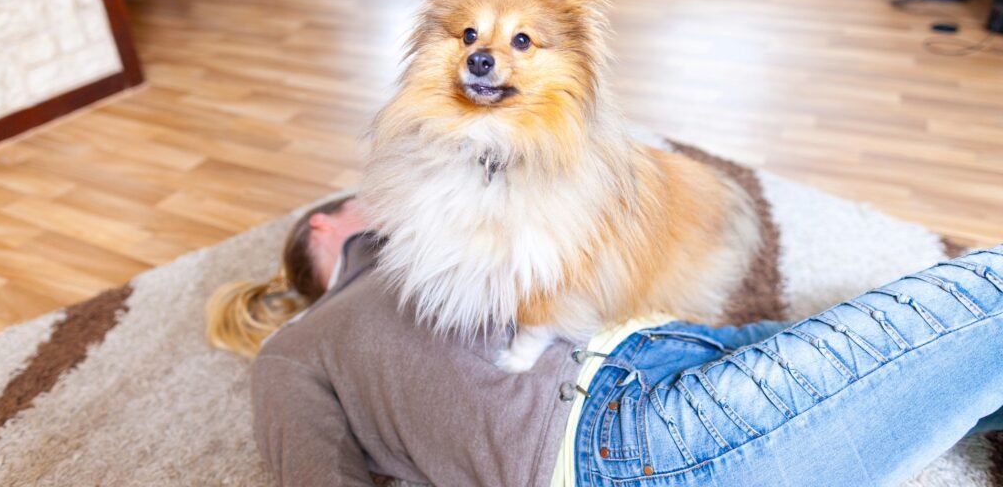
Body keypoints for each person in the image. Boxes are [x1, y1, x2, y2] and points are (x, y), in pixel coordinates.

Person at [207, 196, 1003, 487]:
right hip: (624, 444)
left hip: (674, 357)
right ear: (326, 228)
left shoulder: (451, 243)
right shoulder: (299, 347)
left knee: (957, 363)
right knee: (981, 294)